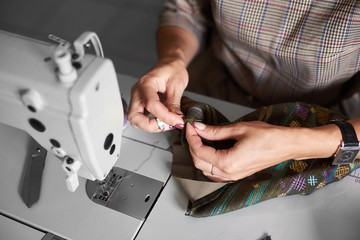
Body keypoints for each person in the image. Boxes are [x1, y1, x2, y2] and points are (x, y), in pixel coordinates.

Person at [128, 0, 360, 182]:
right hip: (214, 82)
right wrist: (173, 58)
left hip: (323, 122)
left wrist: (296, 145)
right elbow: (186, 9)